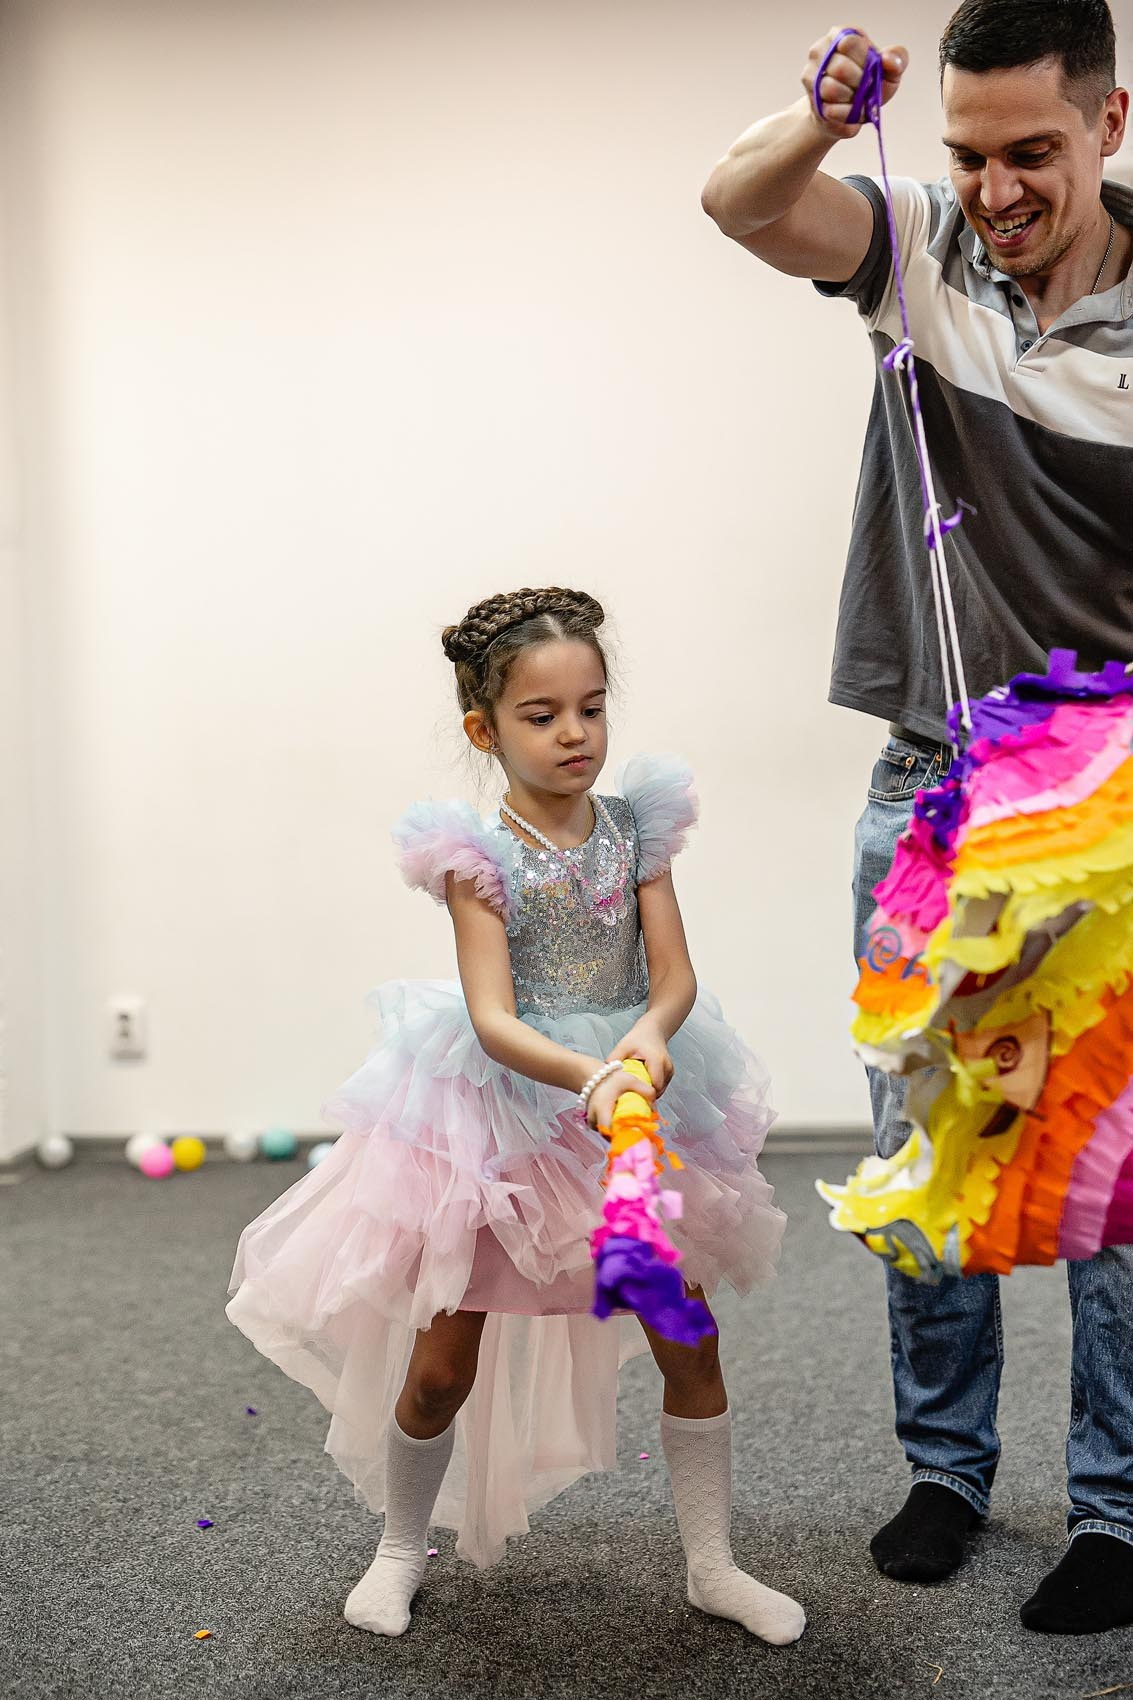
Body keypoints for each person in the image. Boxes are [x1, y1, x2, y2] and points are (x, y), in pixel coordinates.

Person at [701, 0, 1133, 1636]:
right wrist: (822, 120)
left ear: (1106, 122)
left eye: (1033, 149)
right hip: (929, 780)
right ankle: (943, 1474)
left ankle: (1111, 1503)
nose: (999, 185)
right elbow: (740, 203)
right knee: (925, 1145)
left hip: (1105, 793)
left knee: (1109, 1163)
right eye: (970, 151)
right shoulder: (917, 247)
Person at [226, 586, 804, 1646]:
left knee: (688, 1334)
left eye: (590, 706)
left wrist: (651, 1033)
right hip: (498, 1118)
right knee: (443, 1363)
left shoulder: (637, 826)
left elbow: (671, 973)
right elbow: (492, 1018)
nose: (573, 732)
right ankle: (399, 1547)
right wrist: (591, 1071)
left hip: (630, 1109)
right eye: (542, 715)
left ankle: (712, 1562)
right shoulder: (474, 855)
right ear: (483, 729)